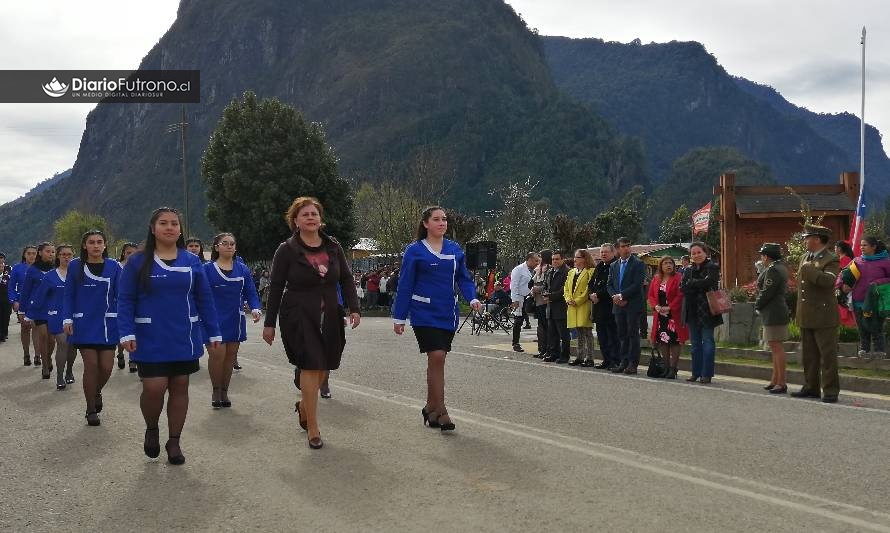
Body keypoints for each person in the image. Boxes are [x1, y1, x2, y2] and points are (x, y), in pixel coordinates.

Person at [118, 208, 222, 463]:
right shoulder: (137, 261)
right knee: (154, 387)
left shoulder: (192, 261)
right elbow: (125, 299)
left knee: (180, 385)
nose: (170, 227)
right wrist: (126, 331)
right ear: (153, 229)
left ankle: (174, 441)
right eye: (163, 223)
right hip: (149, 335)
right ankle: (152, 428)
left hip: (184, 334)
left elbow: (204, 298)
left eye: (174, 223)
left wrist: (213, 331)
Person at [262, 197, 360, 449]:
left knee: (325, 365)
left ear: (321, 219)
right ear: (295, 221)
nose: (310, 217)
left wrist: (354, 308)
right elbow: (275, 287)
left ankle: (305, 405)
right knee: (310, 363)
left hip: (330, 313)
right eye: (304, 214)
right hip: (298, 312)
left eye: (314, 214)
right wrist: (269, 322)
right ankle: (313, 428)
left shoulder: (333, 247)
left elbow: (347, 279)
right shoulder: (286, 250)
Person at [393, 206, 480, 432]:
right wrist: (399, 316)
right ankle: (441, 410)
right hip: (423, 313)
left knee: (437, 360)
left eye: (444, 220)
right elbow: (405, 284)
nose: (442, 223)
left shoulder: (454, 249)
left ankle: (430, 408)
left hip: (447, 313)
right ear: (425, 224)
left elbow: (464, 279)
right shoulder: (414, 251)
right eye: (436, 219)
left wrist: (471, 299)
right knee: (437, 356)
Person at [63, 231, 123, 425]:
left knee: (106, 367)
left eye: (99, 242)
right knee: (91, 365)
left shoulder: (114, 266)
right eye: (91, 242)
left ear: (105, 245)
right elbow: (68, 294)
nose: (96, 246)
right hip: (84, 323)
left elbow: (122, 295)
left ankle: (96, 392)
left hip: (108, 323)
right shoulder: (75, 266)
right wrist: (67, 319)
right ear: (84, 245)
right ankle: (90, 409)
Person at [204, 233, 262, 408]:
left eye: (232, 244)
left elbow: (251, 291)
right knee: (217, 355)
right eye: (225, 243)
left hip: (235, 319)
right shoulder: (207, 269)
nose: (229, 246)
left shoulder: (242, 269)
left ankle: (224, 391)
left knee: (230, 357)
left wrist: (255, 307)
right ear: (217, 247)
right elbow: (200, 295)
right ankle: (215, 389)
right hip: (213, 319)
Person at [792, 225, 840, 402]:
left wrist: (809, 270)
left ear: (817, 239)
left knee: (827, 356)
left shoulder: (831, 259)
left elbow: (828, 281)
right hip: (806, 314)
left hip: (824, 315)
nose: (805, 241)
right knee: (809, 356)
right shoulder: (805, 257)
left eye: (807, 237)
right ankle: (811, 387)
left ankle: (830, 390)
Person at [30, 244, 76, 390]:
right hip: (56, 315)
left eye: (69, 254)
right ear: (58, 256)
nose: (66, 257)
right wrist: (30, 314)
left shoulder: (79, 275)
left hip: (76, 315)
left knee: (72, 345)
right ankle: (60, 375)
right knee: (63, 342)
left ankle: (69, 370)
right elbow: (39, 298)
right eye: (63, 254)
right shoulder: (50, 276)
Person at [679, 242, 723, 384]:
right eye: (693, 253)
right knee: (695, 344)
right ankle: (695, 373)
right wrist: (697, 283)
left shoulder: (712, 267)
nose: (696, 255)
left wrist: (692, 283)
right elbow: (683, 288)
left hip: (707, 309)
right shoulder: (688, 269)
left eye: (699, 252)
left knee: (708, 341)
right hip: (692, 309)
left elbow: (710, 282)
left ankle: (707, 374)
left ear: (705, 253)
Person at [839, 236, 890, 358]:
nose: (861, 247)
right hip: (858, 301)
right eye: (861, 245)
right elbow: (842, 275)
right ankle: (864, 350)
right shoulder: (857, 261)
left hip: (876, 302)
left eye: (865, 245)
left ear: (874, 247)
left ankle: (880, 351)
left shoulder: (885, 261)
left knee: (876, 326)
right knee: (862, 327)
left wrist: (878, 282)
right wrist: (841, 285)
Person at [754, 243, 790, 394]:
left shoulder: (773, 269)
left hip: (773, 311)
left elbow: (766, 292)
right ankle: (775, 379)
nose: (761, 258)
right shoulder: (779, 266)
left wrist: (757, 305)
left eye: (762, 255)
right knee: (774, 347)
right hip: (775, 310)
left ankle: (781, 382)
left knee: (776, 347)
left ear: (766, 256)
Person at [607, 237, 645, 374]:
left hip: (632, 305)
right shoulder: (614, 265)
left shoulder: (638, 264)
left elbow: (637, 284)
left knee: (633, 334)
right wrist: (614, 297)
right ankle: (623, 361)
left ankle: (633, 363)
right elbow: (609, 284)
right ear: (617, 249)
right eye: (623, 246)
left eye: (628, 245)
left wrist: (622, 296)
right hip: (618, 305)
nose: (626, 248)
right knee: (622, 334)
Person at [647, 256, 688, 379]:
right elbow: (651, 295)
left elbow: (680, 295)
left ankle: (673, 368)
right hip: (660, 315)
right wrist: (656, 307)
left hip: (673, 315)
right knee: (662, 341)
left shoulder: (678, 278)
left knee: (675, 341)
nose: (668, 265)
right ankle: (665, 366)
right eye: (665, 263)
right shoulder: (656, 278)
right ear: (661, 266)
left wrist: (669, 307)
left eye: (670, 263)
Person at [21, 242, 57, 378]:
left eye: (53, 252)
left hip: (54, 308)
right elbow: (26, 291)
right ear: (40, 253)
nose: (51, 254)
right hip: (38, 308)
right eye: (48, 251)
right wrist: (23, 311)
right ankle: (45, 366)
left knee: (52, 339)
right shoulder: (32, 270)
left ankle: (48, 357)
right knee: (42, 335)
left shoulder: (56, 269)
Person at [590, 244, 619, 370]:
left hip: (610, 306)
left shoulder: (615, 266)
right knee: (602, 336)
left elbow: (612, 285)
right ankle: (606, 359)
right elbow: (591, 283)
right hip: (598, 307)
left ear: (613, 253)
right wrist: (591, 294)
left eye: (606, 252)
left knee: (612, 335)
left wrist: (598, 295)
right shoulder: (599, 266)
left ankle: (615, 360)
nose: (603, 254)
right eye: (601, 252)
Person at [9, 245, 38, 364]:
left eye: (34, 253)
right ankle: (26, 354)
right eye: (29, 253)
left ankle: (37, 355)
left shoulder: (40, 268)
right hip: (23, 302)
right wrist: (14, 301)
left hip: (38, 303)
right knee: (25, 328)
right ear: (24, 255)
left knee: (37, 328)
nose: (32, 255)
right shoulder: (17, 268)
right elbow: (11, 287)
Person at [566, 249, 594, 366]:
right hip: (573, 306)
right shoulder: (571, 272)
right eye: (575, 257)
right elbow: (566, 287)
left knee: (587, 331)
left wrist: (578, 300)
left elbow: (589, 288)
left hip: (584, 305)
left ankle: (590, 358)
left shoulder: (590, 271)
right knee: (579, 332)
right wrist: (568, 299)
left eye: (577, 257)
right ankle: (579, 356)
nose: (575, 259)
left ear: (584, 259)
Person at [509, 252, 540, 352]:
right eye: (535, 260)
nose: (537, 263)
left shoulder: (535, 270)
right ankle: (516, 343)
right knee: (518, 320)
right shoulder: (518, 269)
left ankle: (541, 339)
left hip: (531, 297)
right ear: (529, 259)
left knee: (537, 318)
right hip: (520, 297)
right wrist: (515, 300)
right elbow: (514, 285)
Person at [543, 250, 571, 364]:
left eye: (557, 259)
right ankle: (554, 353)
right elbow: (546, 285)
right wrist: (545, 293)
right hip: (550, 307)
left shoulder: (567, 272)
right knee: (552, 333)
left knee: (563, 334)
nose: (554, 261)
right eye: (553, 259)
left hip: (561, 306)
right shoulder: (550, 272)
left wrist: (551, 296)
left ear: (562, 259)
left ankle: (565, 355)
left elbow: (564, 289)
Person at [117, 242, 139, 372]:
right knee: (123, 332)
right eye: (128, 253)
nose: (131, 255)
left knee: (135, 331)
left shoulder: (141, 268)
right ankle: (120, 353)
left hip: (136, 304)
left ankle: (133, 359)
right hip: (120, 304)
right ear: (123, 253)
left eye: (134, 253)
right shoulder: (117, 267)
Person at [833, 240, 857, 328]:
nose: (834, 249)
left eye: (835, 247)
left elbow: (846, 274)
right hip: (840, 287)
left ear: (839, 249)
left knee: (842, 306)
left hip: (843, 287)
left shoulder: (845, 259)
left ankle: (847, 326)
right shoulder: (843, 258)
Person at [530, 257, 550, 358]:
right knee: (540, 327)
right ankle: (541, 349)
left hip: (545, 302)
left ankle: (547, 350)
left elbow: (547, 286)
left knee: (547, 327)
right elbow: (531, 283)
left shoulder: (548, 269)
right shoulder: (538, 270)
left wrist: (537, 288)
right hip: (537, 302)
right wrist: (532, 289)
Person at [0, 253, 11, 343]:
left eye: (1, 258)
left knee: (6, 315)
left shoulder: (9, 268)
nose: (0, 260)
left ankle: (4, 333)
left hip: (6, 295)